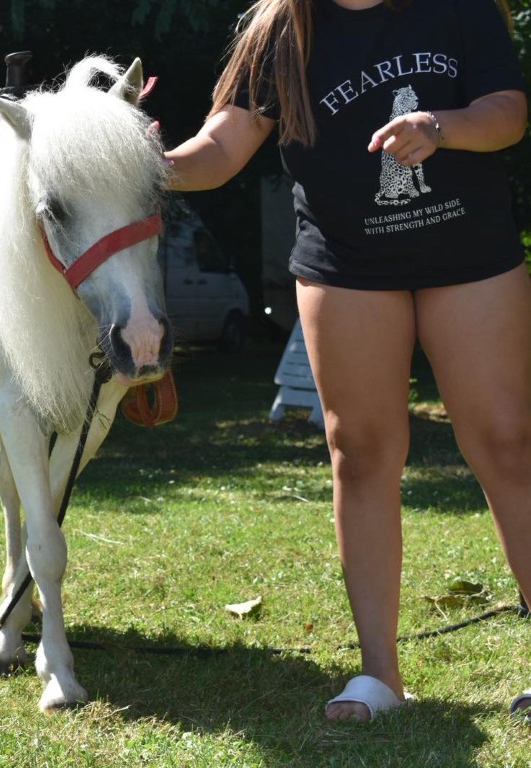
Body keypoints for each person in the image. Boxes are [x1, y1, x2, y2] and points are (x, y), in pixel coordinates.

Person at [165, 0, 531, 721]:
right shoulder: (280, 30)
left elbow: (508, 113)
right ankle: (379, 677)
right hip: (346, 267)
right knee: (359, 454)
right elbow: (217, 151)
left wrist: (438, 127)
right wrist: (146, 165)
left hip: (470, 256)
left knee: (508, 444)